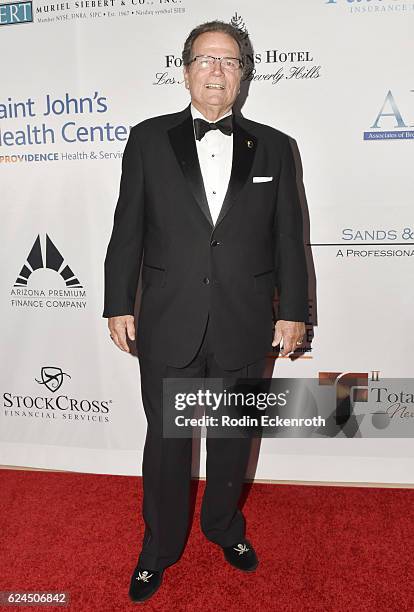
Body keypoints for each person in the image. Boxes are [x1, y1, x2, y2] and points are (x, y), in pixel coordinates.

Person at [103, 20, 308, 603]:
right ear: (186, 69)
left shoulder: (275, 146)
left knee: (232, 441)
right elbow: (128, 229)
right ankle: (159, 547)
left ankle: (223, 527)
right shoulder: (147, 140)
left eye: (229, 61)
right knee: (167, 442)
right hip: (170, 318)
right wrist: (118, 301)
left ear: (243, 74)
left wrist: (293, 310)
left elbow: (289, 237)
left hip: (245, 319)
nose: (216, 71)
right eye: (205, 59)